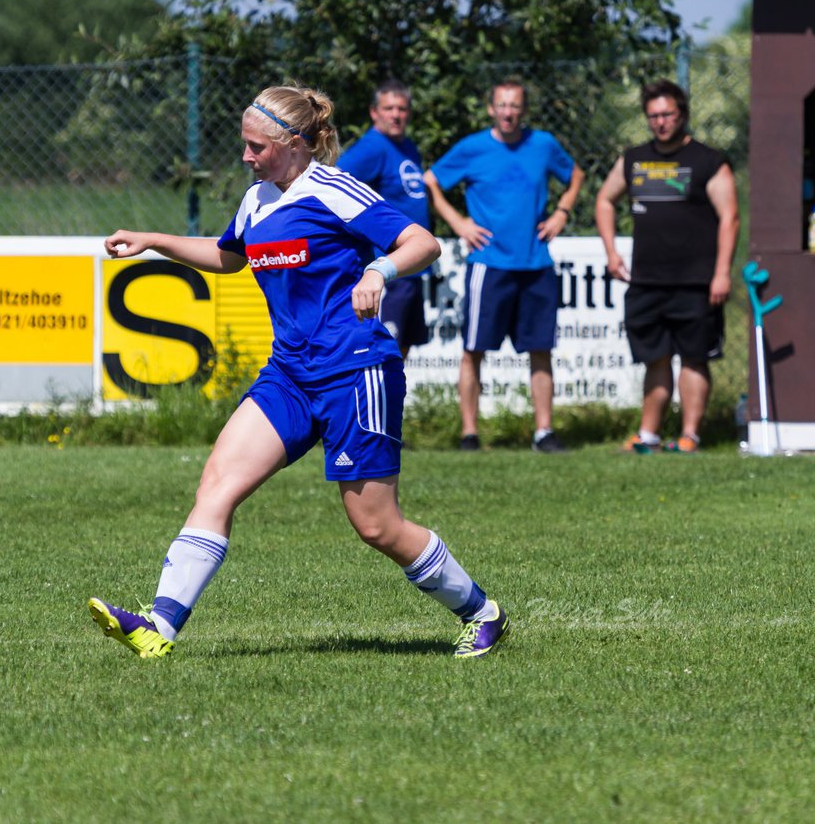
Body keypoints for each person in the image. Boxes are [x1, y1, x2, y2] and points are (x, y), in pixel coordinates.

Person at [91, 85, 509, 660]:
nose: (246, 157)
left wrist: (379, 272)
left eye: (255, 147)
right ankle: (158, 628)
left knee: (377, 526)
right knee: (217, 484)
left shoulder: (333, 188)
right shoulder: (257, 198)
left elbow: (422, 241)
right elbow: (229, 256)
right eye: (244, 145)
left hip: (355, 371)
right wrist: (154, 242)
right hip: (289, 374)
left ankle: (481, 613)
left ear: (292, 144)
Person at [423, 79, 584, 453]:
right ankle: (469, 434)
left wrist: (561, 212)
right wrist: (459, 223)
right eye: (502, 105)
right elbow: (431, 181)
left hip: (536, 262)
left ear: (523, 110)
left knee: (540, 348)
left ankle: (544, 432)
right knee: (474, 350)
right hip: (489, 265)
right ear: (491, 108)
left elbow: (575, 176)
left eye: (515, 106)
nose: (508, 112)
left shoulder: (542, 144)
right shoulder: (473, 147)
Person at [594, 79, 739, 454]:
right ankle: (649, 435)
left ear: (682, 115)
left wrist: (721, 272)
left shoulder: (709, 161)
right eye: (654, 115)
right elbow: (605, 200)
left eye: (668, 114)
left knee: (694, 359)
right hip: (646, 280)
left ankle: (690, 436)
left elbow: (730, 218)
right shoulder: (634, 159)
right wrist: (611, 251)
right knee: (654, 359)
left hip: (696, 280)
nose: (661, 122)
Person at [337, 79, 432, 359]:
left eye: (401, 109)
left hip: (410, 265)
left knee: (402, 347)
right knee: (382, 348)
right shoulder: (372, 148)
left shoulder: (407, 147)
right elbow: (335, 189)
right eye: (388, 108)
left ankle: (391, 403)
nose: (396, 114)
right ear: (374, 112)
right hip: (386, 266)